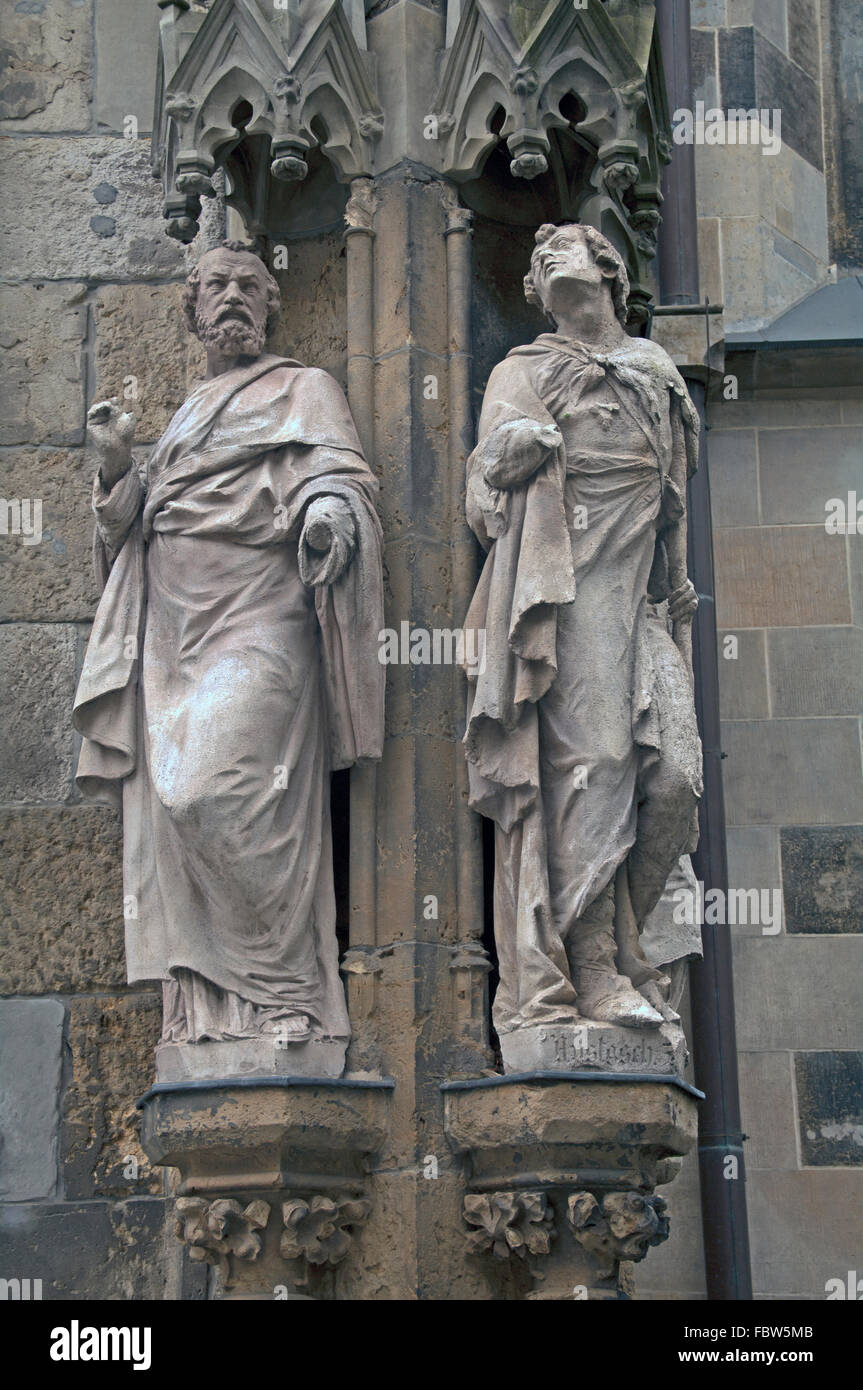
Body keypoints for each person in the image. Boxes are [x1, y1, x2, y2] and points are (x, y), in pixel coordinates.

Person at [74, 241, 384, 1047]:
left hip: (263, 617)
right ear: (192, 308)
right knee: (178, 802)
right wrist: (115, 474)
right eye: (216, 286)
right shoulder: (185, 414)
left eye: (250, 284)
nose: (234, 297)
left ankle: (289, 992)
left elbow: (341, 478)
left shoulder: (303, 387)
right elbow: (128, 546)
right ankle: (216, 1005)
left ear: (272, 303)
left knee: (221, 791)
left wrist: (327, 516)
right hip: (174, 633)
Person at [462, 222, 703, 1036]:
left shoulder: (654, 373)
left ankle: (631, 950)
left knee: (673, 780)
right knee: (596, 769)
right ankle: (588, 969)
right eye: (533, 259)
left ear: (607, 264)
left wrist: (676, 594)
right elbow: (483, 485)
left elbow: (672, 506)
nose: (542, 259)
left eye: (559, 245)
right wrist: (513, 452)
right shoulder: (523, 370)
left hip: (640, 601)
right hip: (568, 596)